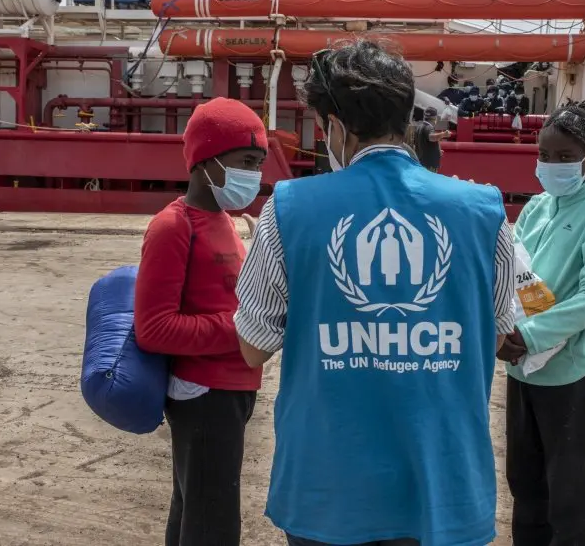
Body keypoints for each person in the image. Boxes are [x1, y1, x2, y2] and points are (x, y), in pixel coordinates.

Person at [234, 40, 516, 546]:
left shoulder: (288, 208)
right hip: (442, 487)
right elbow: (494, 336)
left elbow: (254, 345)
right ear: (406, 115)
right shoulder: (484, 211)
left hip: (329, 488)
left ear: (335, 128)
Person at [133, 97, 268, 546]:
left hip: (234, 388)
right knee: (213, 523)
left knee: (196, 509)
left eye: (259, 162)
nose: (255, 174)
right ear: (207, 160)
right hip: (203, 393)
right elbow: (154, 329)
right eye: (246, 161)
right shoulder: (173, 226)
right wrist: (247, 326)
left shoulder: (228, 222)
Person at [498, 103, 585, 546]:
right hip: (522, 368)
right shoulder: (537, 207)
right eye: (546, 155)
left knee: (569, 494)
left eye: (565, 155)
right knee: (525, 483)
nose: (553, 165)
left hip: (568, 370)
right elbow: (509, 269)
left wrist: (529, 336)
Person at [408, 106, 450, 172]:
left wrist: (437, 151)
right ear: (434, 117)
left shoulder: (419, 126)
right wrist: (443, 134)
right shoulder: (429, 127)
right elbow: (431, 137)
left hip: (421, 162)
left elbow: (423, 143)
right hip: (429, 165)